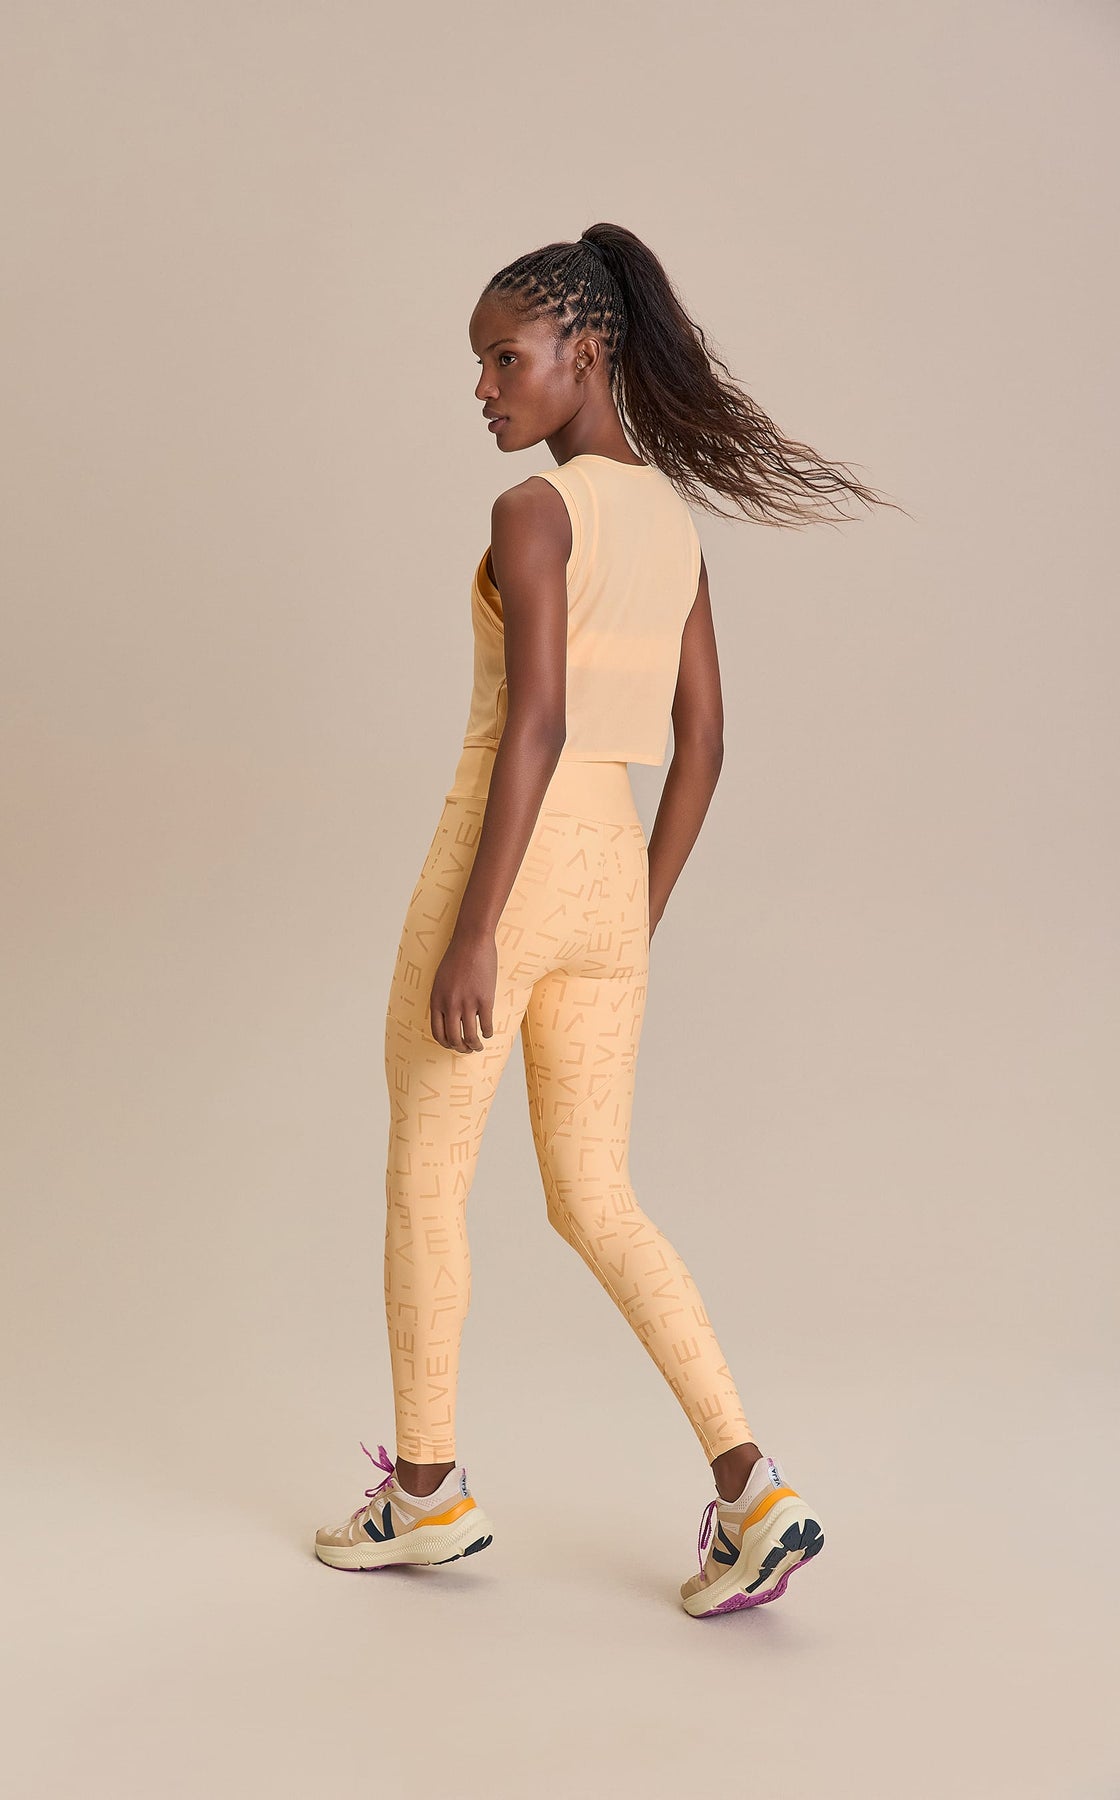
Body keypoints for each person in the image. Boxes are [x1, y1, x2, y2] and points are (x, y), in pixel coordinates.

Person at [315, 223, 898, 1615]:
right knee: (599, 1198)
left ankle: (427, 1491)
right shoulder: (675, 527)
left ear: (584, 350)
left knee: (427, 1176)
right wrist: (633, 908)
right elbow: (704, 748)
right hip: (606, 881)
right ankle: (753, 1487)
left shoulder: (537, 511)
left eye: (502, 358)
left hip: (504, 859)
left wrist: (478, 929)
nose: (482, 387)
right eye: (478, 364)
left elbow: (538, 722)